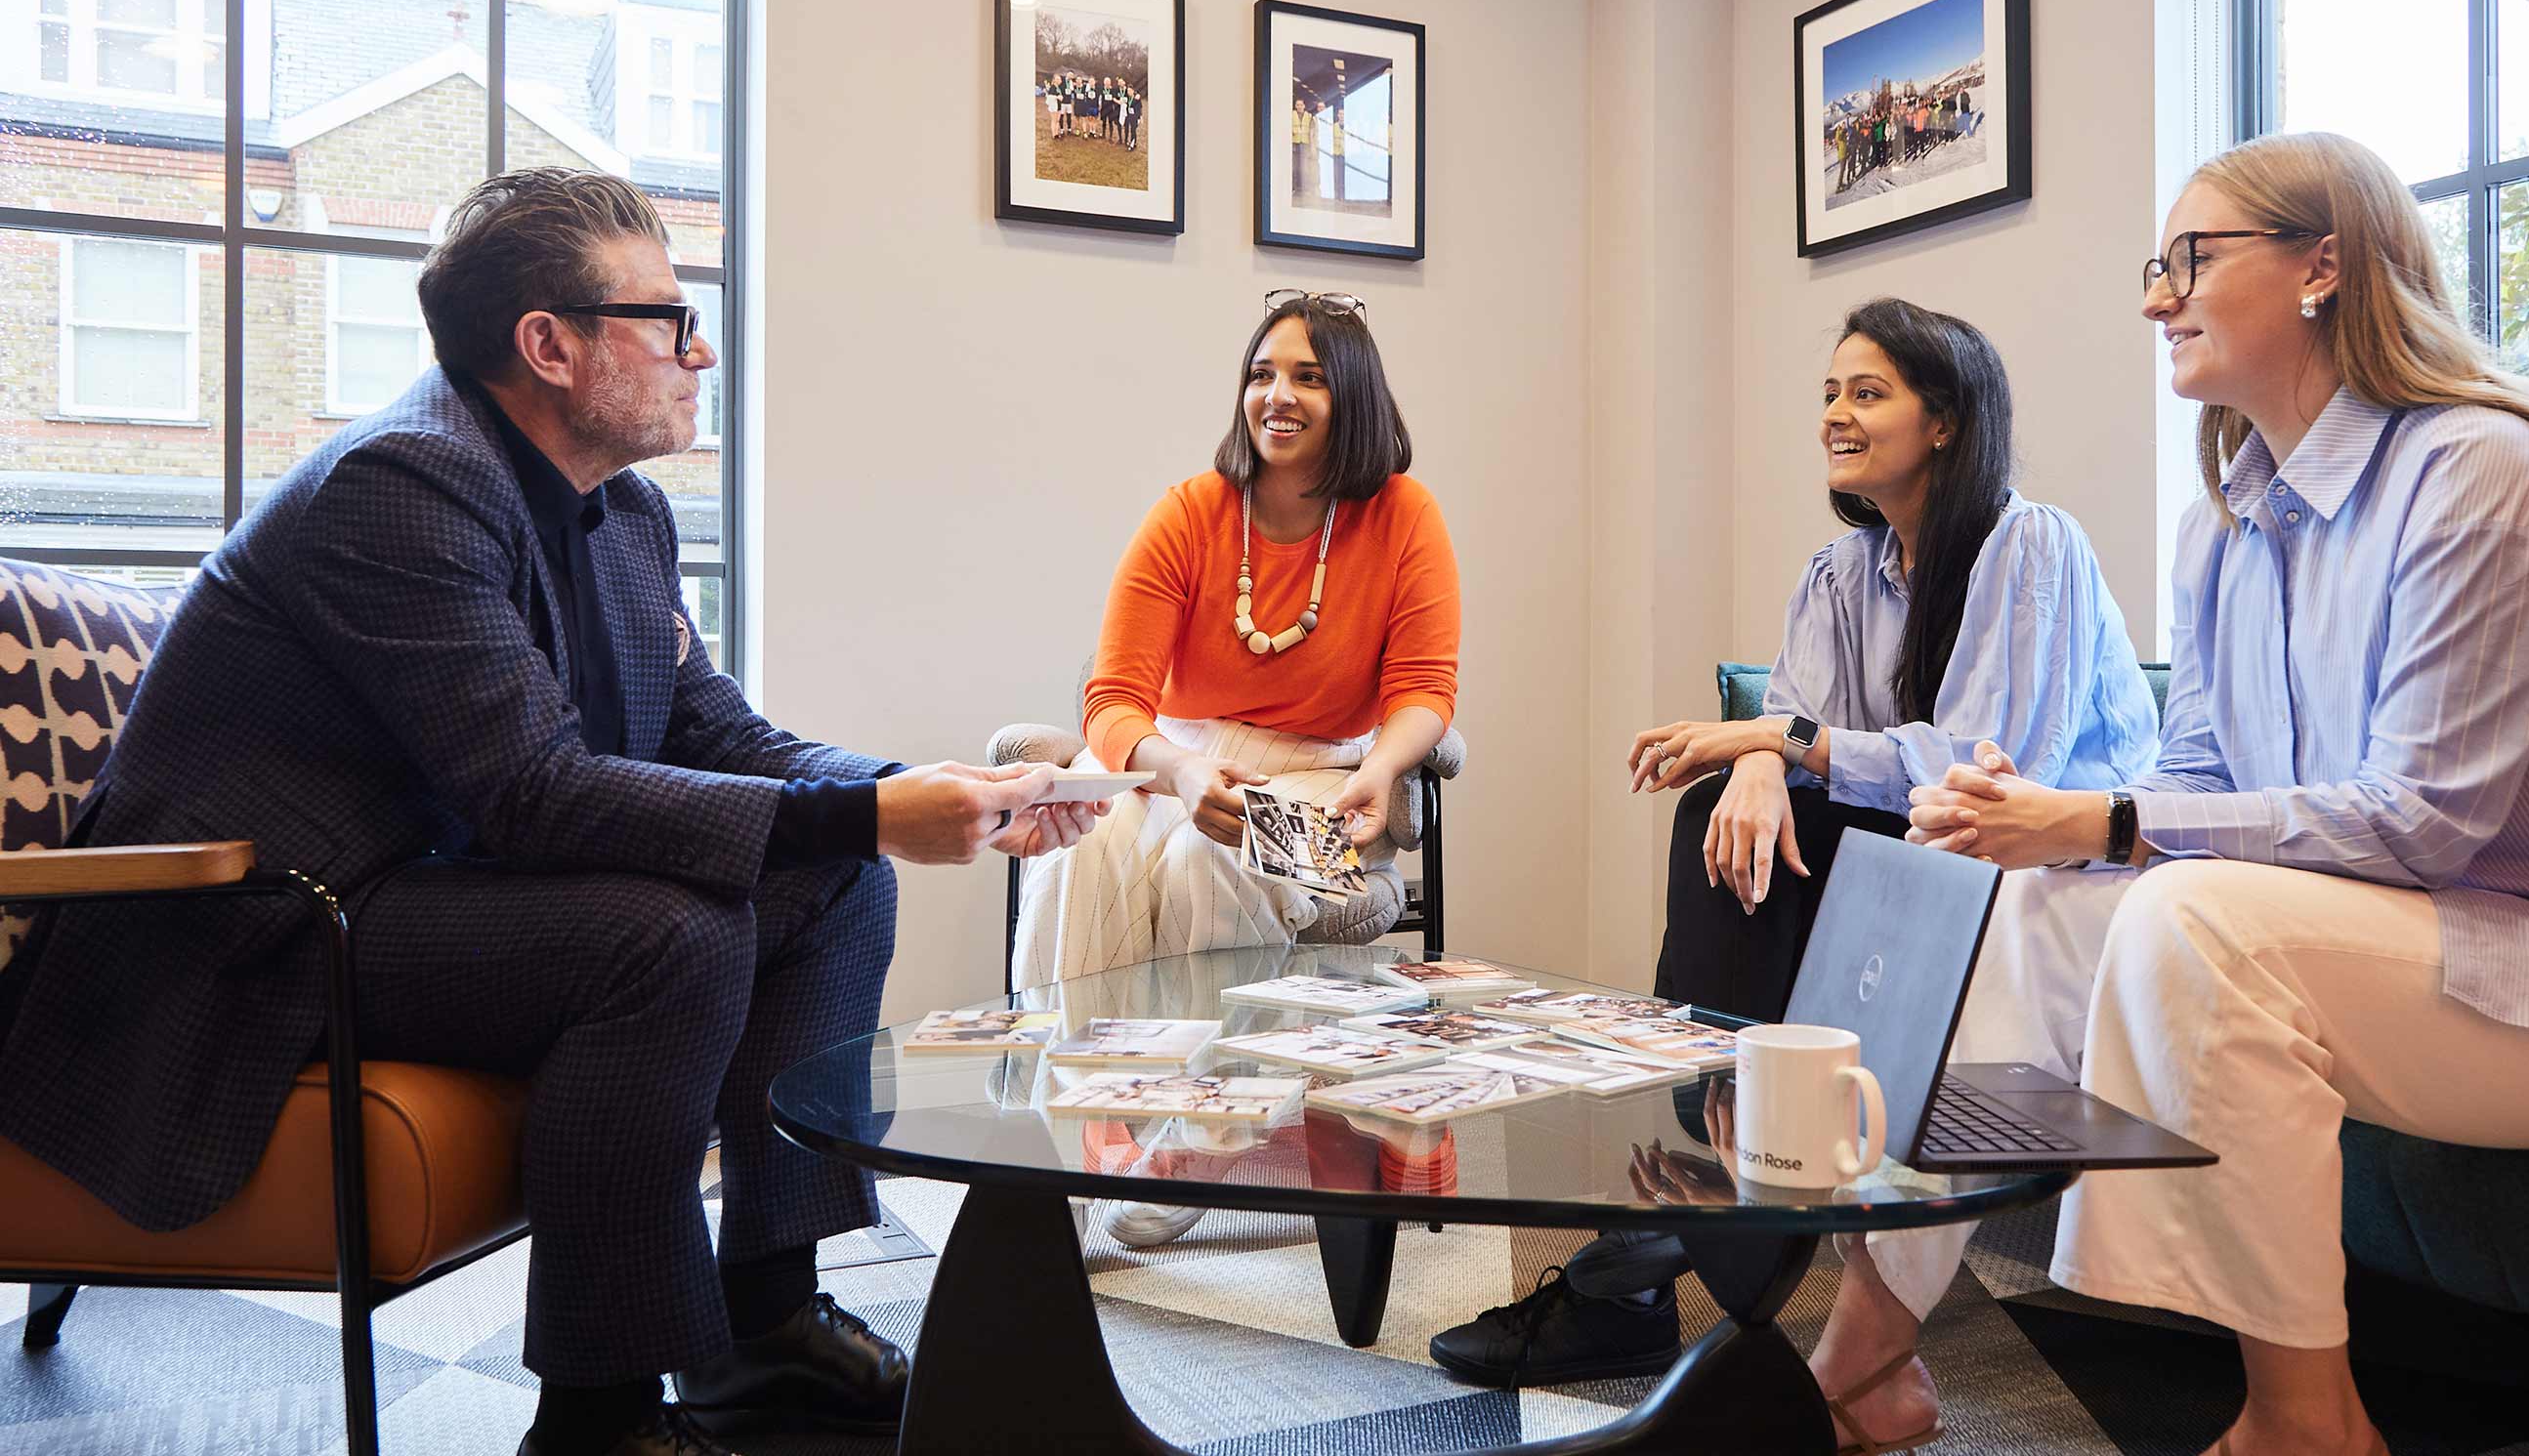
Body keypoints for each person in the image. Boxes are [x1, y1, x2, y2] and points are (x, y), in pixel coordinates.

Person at [0, 169, 1105, 1456]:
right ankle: (600, 1413)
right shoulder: (397, 486)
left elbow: (714, 735)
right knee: (667, 936)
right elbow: (530, 790)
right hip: (248, 934)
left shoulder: (621, 511)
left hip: (406, 893)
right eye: (669, 319)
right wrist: (870, 814)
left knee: (841, 884)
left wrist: (913, 795)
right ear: (548, 345)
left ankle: (765, 1328)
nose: (701, 354)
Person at [1809, 131, 2529, 1456]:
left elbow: (2423, 820)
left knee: (2197, 925)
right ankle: (1859, 1361)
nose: (2157, 295)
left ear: (2323, 268)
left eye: (2192, 260)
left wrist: (2106, 822)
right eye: (2154, 266)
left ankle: (2301, 1424)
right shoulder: (2224, 521)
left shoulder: (2480, 475)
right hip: (2445, 938)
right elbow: (2203, 777)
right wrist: (2042, 825)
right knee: (2023, 906)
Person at [1427, 297, 2160, 1405]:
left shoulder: (2032, 545)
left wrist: (1780, 741)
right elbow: (1799, 720)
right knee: (1718, 810)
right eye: (1829, 393)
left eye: (1868, 393)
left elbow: (1987, 764)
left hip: (2045, 862)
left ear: (1949, 420)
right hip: (1923, 858)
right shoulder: (1838, 573)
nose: (1836, 415)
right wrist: (1764, 763)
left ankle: (1657, 1258)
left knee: (1796, 811)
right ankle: (1683, 1216)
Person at [1010, 289, 1458, 1224]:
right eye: (1261, 373)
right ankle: (1092, 1128)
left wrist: (1382, 769)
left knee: (1211, 855)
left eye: (1307, 376)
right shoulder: (1188, 513)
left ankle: (1201, 1140)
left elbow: (1425, 690)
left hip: (1327, 767)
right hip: (1181, 752)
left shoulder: (1405, 516)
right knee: (1083, 849)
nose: (1276, 395)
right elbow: (1114, 702)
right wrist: (1176, 770)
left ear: (1357, 401)